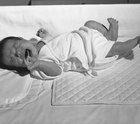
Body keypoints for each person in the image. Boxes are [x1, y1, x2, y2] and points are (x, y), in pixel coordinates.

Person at [0, 18, 140, 79]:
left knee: (90, 23)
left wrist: (46, 35)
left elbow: (54, 41)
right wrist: (38, 64)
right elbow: (57, 71)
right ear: (23, 69)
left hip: (82, 36)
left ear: (27, 40)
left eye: (16, 46)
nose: (17, 53)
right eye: (14, 59)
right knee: (115, 48)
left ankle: (110, 36)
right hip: (87, 54)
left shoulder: (39, 42)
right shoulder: (37, 68)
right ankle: (133, 42)